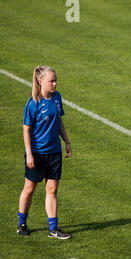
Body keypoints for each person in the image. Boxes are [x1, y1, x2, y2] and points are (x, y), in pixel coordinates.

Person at [18, 66, 72, 239]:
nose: (55, 84)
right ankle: (22, 224)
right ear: (41, 81)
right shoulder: (33, 103)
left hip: (54, 152)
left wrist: (67, 141)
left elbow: (59, 121)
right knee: (30, 188)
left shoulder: (57, 97)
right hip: (37, 153)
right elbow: (26, 130)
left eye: (55, 80)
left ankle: (53, 228)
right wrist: (29, 154)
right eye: (52, 81)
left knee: (52, 189)